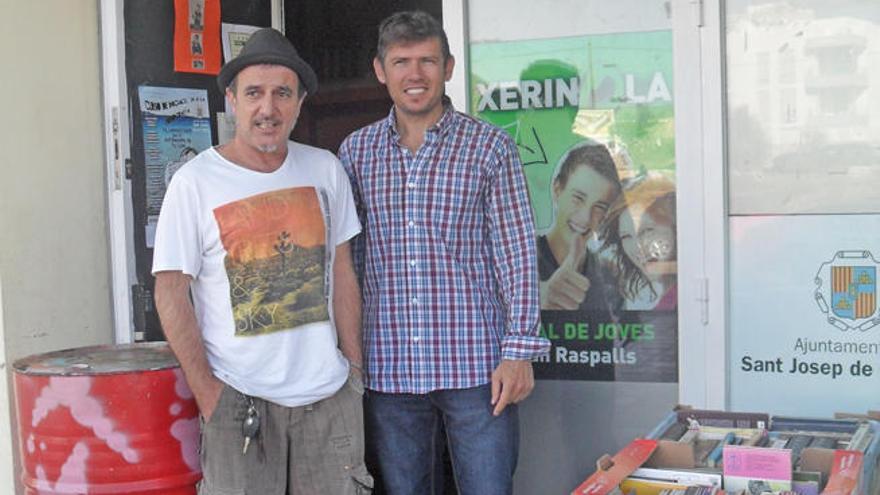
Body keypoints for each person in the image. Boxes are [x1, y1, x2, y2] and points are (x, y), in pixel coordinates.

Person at [152, 28, 372, 494]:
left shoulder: (325, 168)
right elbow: (169, 291)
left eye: (281, 94)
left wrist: (353, 370)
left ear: (299, 102)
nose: (267, 109)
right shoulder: (194, 183)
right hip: (238, 406)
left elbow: (342, 270)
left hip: (328, 401)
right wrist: (210, 395)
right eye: (253, 93)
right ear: (232, 99)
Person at [338, 11, 549, 495]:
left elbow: (516, 254)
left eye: (427, 60)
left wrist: (519, 352)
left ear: (449, 67)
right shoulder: (356, 152)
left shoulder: (490, 148)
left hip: (477, 366)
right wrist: (347, 356)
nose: (415, 74)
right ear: (380, 70)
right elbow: (346, 260)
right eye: (401, 62)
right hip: (388, 365)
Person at [537, 141, 623, 314]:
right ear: (557, 189)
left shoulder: (609, 277)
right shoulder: (520, 261)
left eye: (599, 207)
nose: (585, 218)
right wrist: (538, 297)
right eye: (578, 198)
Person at [601, 173, 677, 310]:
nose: (638, 247)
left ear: (675, 224)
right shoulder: (668, 304)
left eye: (647, 230)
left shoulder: (690, 297)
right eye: (626, 237)